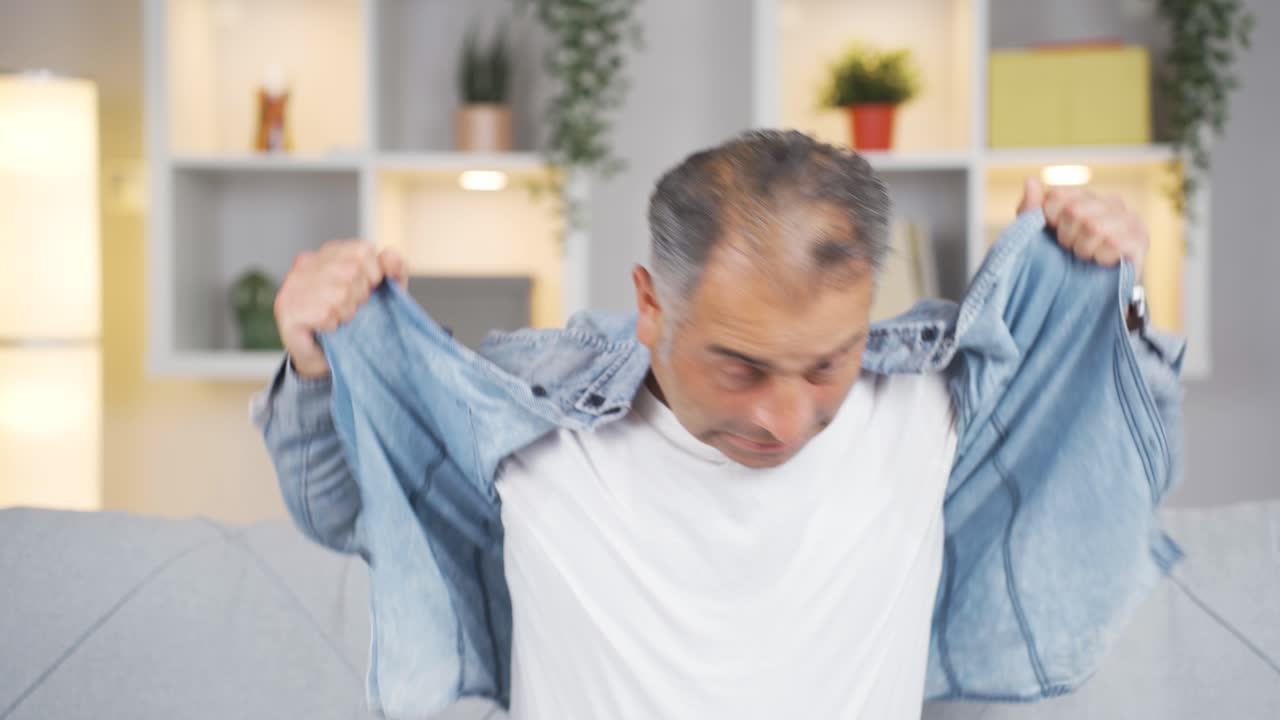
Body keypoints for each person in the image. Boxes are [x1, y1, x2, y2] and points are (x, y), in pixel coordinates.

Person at [255, 130, 1180, 719]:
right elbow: (340, 508)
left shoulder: (933, 407)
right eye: (739, 367)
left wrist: (1105, 291)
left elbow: (1115, 470)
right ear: (652, 306)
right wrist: (316, 357)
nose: (785, 419)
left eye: (827, 364)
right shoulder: (523, 423)